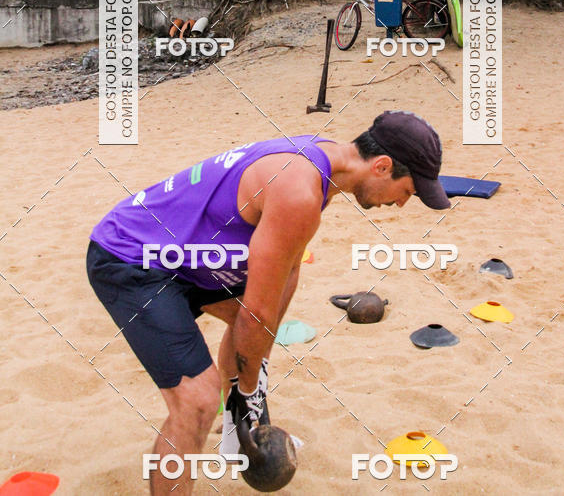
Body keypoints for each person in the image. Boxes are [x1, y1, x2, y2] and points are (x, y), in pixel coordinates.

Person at [87, 112, 449, 496]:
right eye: (408, 192)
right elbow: (257, 313)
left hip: (189, 257)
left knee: (250, 326)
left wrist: (251, 389)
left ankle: (233, 430)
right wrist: (247, 390)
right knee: (197, 401)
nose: (402, 204)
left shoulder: (321, 159)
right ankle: (226, 416)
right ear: (382, 166)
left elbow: (280, 287)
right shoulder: (299, 191)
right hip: (130, 256)